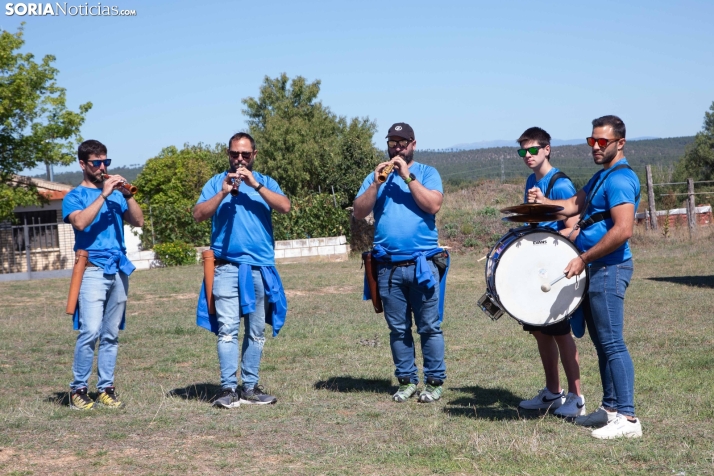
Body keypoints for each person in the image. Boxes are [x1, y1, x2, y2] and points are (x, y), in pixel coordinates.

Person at [528, 115, 642, 439]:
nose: (595, 146)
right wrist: (545, 203)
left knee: (613, 344)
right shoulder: (600, 177)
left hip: (609, 268)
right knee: (601, 343)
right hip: (595, 269)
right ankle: (609, 410)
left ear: (620, 143)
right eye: (592, 141)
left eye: (602, 142)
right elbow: (571, 206)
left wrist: (583, 258)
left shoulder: (620, 180)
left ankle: (629, 419)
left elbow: (623, 230)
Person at [353, 122, 449, 403]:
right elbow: (359, 212)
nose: (396, 147)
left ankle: (434, 382)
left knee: (429, 326)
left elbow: (433, 205)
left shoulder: (428, 173)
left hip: (423, 264)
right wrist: (375, 184)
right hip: (388, 267)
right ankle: (406, 380)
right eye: (392, 142)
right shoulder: (378, 177)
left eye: (402, 142)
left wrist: (407, 178)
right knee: (397, 328)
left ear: (413, 145)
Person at [193, 132, 290, 408]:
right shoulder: (216, 182)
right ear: (228, 153)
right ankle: (227, 389)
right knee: (227, 330)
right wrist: (223, 192)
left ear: (254, 156)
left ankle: (249, 387)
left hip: (260, 268)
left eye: (245, 155)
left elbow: (285, 206)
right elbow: (198, 215)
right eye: (235, 154)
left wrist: (255, 184)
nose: (239, 159)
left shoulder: (266, 182)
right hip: (225, 267)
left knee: (256, 331)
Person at [62, 139, 144, 410]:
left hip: (118, 268)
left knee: (111, 333)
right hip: (92, 270)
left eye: (105, 162)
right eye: (96, 163)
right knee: (90, 331)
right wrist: (104, 195)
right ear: (83, 164)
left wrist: (128, 194)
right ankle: (78, 390)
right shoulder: (74, 196)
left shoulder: (118, 195)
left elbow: (138, 221)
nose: (102, 167)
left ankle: (106, 388)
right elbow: (81, 223)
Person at [515, 127, 586, 418]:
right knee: (539, 330)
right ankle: (552, 392)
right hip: (539, 267)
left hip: (558, 268)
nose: (528, 156)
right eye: (523, 152)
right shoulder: (532, 181)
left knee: (560, 331)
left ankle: (576, 397)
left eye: (533, 150)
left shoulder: (560, 183)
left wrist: (554, 246)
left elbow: (576, 223)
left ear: (547, 149)